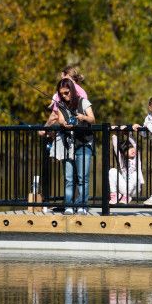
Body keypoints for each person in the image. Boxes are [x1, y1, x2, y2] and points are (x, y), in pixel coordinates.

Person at [54, 78, 95, 215]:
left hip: (84, 143)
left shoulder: (83, 101)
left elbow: (92, 119)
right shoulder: (60, 105)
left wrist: (82, 118)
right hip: (69, 144)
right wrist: (64, 124)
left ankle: (82, 205)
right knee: (69, 178)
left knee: (83, 177)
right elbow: (60, 119)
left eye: (66, 93)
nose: (64, 96)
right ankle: (69, 205)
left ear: (72, 89)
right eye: (61, 94)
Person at [108, 132, 144, 205]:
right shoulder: (122, 161)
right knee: (112, 171)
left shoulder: (137, 158)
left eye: (132, 148)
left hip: (135, 190)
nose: (132, 150)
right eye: (128, 149)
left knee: (135, 174)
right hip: (124, 188)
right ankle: (115, 195)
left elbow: (135, 145)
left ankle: (126, 196)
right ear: (123, 153)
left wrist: (128, 134)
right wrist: (115, 133)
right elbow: (116, 149)